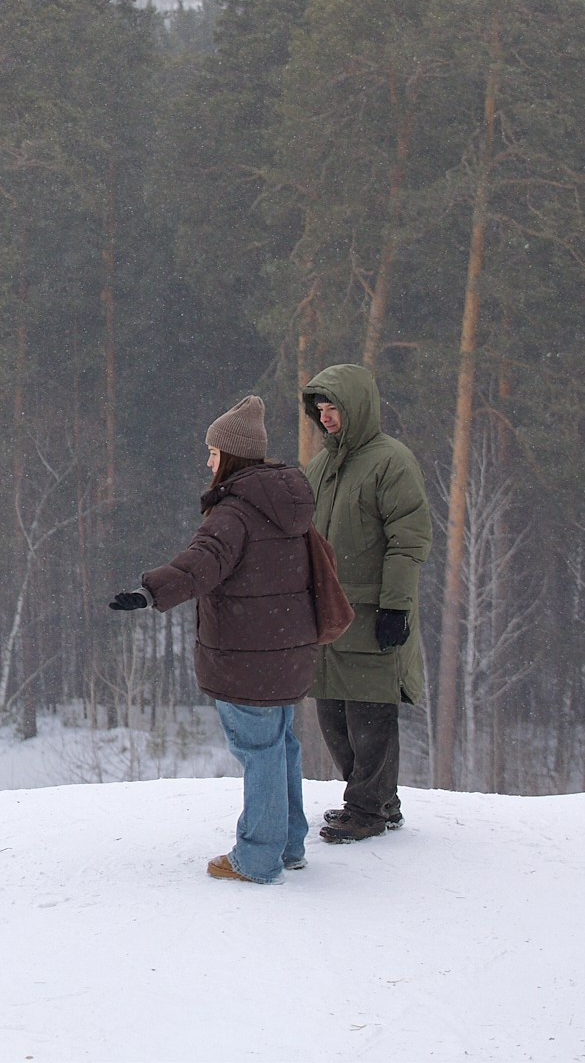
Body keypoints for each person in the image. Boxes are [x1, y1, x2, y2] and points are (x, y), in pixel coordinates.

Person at [109, 395, 320, 883]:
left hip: (247, 655)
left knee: (260, 750)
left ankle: (259, 857)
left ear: (231, 455)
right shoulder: (286, 503)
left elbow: (200, 564)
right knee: (280, 744)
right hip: (288, 648)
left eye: (212, 451)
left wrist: (148, 593)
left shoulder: (235, 512)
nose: (207, 461)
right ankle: (287, 844)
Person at [301, 364, 430, 843]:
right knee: (332, 715)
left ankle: (370, 809)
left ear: (355, 407)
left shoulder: (391, 461)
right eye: (320, 409)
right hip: (329, 616)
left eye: (333, 407)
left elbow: (409, 539)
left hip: (373, 612)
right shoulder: (320, 468)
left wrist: (396, 606)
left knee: (370, 716)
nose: (326, 416)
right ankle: (374, 802)